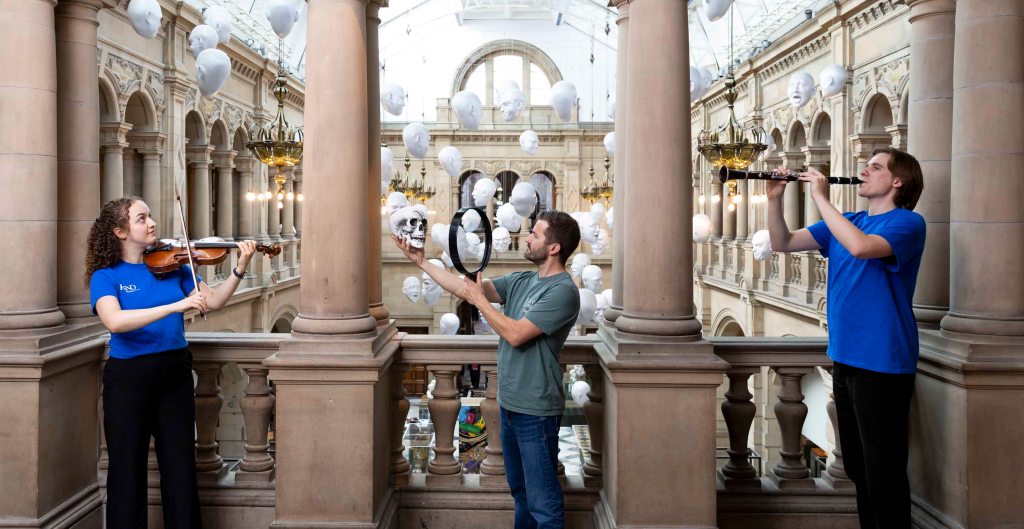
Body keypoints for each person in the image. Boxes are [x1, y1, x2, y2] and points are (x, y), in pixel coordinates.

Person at [765, 148, 925, 528]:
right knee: (857, 467)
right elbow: (782, 242)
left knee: (884, 474)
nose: (864, 171)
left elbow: (861, 247)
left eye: (875, 167)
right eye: (865, 166)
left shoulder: (908, 223)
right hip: (846, 358)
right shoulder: (848, 220)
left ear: (898, 181)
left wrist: (820, 196)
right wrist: (775, 200)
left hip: (883, 362)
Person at [394, 210, 581, 529]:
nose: (527, 238)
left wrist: (480, 302)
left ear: (553, 248)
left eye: (534, 234)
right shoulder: (523, 280)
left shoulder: (563, 291)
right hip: (509, 405)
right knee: (521, 494)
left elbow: (516, 334)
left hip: (536, 410)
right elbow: (465, 288)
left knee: (544, 504)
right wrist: (421, 261)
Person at [85, 197, 257, 529]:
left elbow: (214, 302)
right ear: (120, 231)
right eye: (141, 218)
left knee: (180, 468)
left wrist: (240, 267)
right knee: (127, 471)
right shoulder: (105, 277)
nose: (152, 223)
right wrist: (175, 307)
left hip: (175, 372)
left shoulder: (174, 267)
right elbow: (115, 322)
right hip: (129, 378)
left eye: (150, 216)